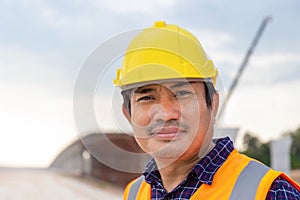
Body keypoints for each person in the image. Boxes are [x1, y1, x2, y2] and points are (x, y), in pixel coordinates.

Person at [113, 21, 300, 199]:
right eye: (147, 98)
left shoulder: (271, 192)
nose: (166, 114)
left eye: (181, 93)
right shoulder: (135, 192)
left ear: (213, 105)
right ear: (128, 115)